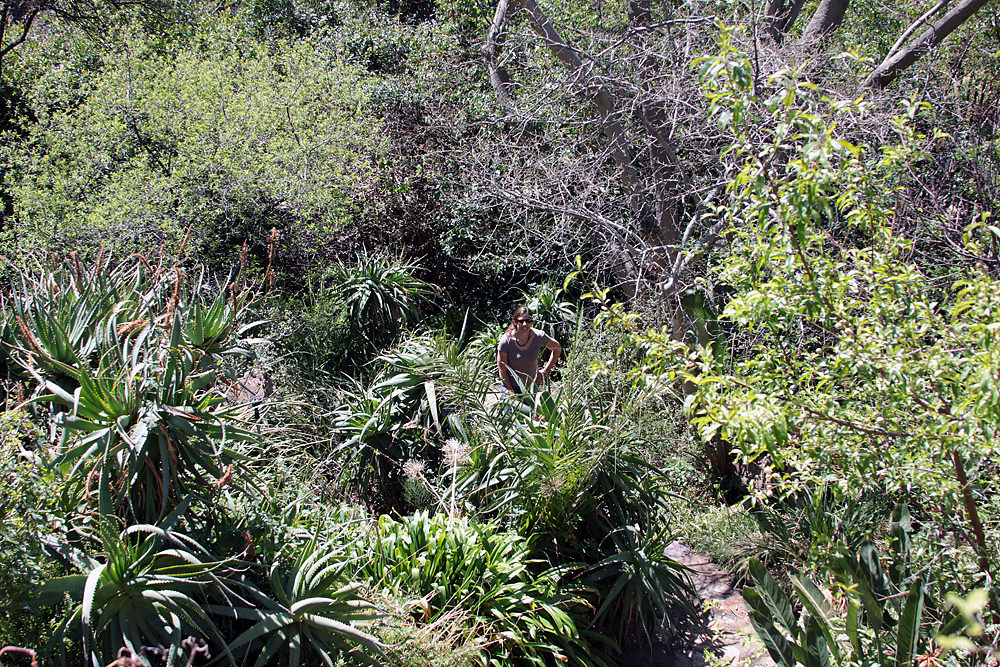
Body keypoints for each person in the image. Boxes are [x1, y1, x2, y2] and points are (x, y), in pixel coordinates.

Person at [497, 307, 562, 394]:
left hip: (532, 387)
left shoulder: (539, 336)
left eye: (528, 321)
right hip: (511, 386)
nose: (525, 324)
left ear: (532, 322)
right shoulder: (506, 340)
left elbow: (557, 348)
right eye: (521, 321)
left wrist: (545, 371)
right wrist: (511, 392)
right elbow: (502, 370)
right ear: (515, 321)